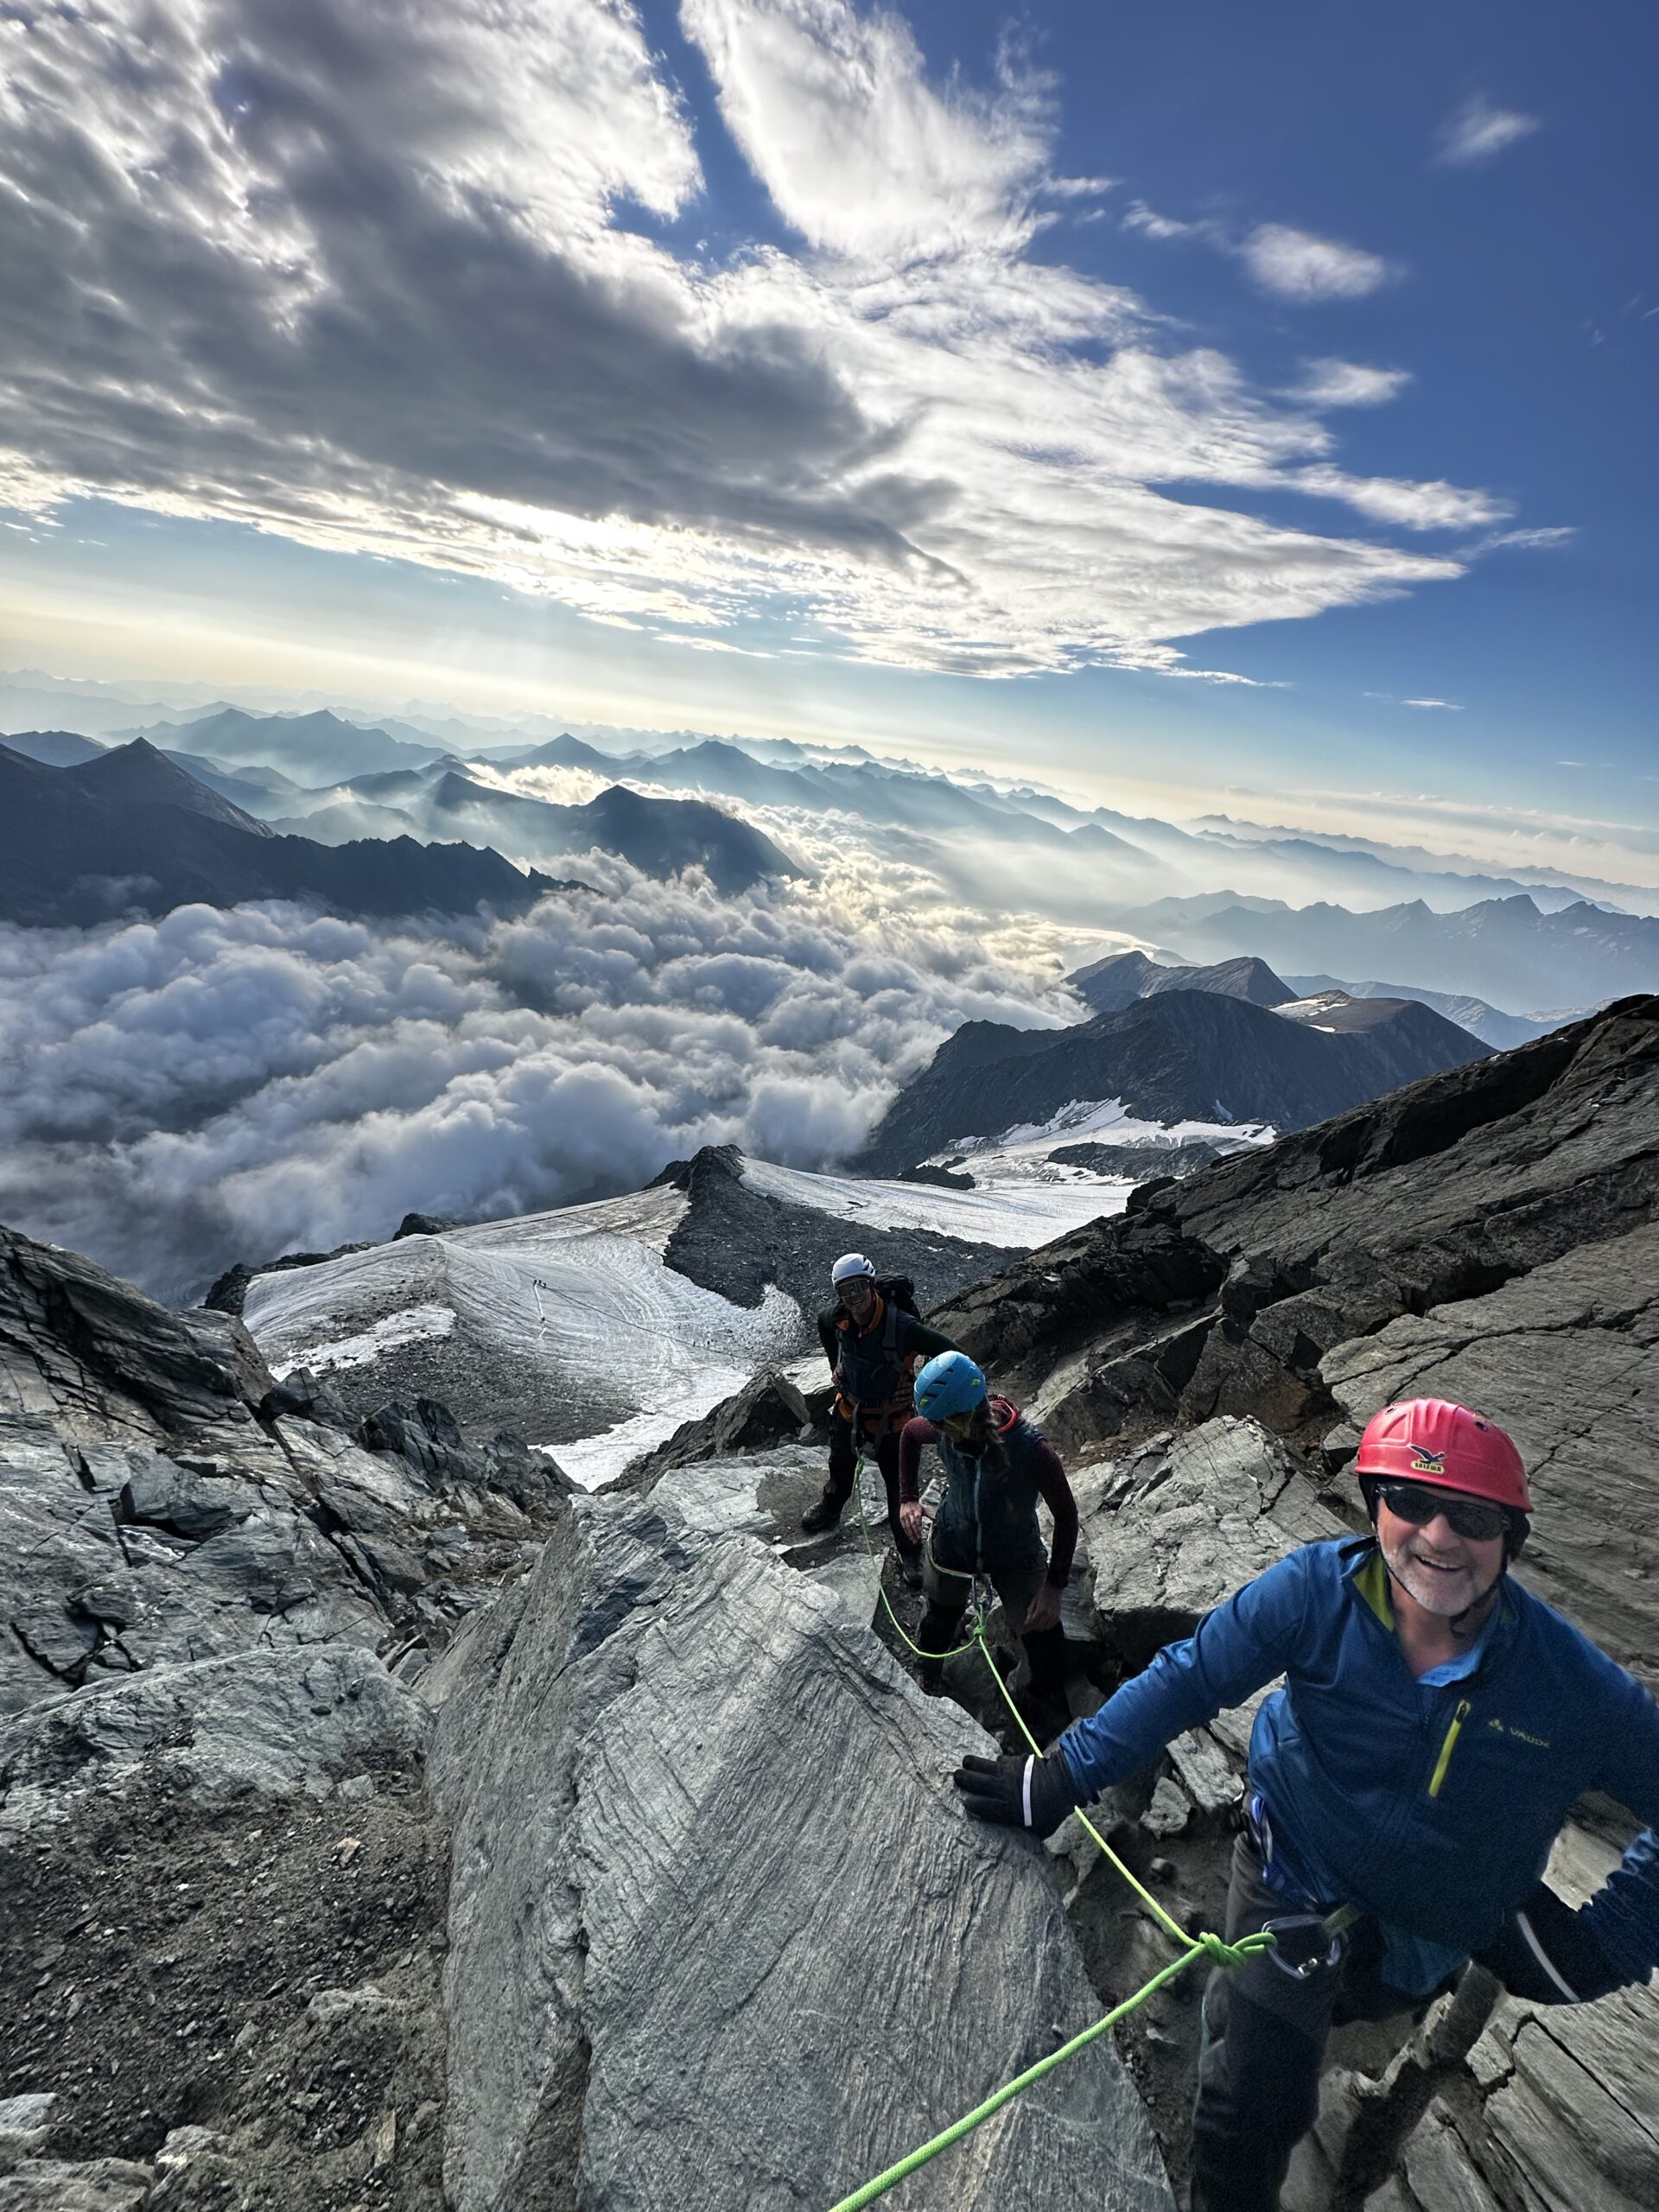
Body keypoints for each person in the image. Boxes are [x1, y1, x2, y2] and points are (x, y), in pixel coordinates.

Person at [951, 1397, 1659, 2212]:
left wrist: (1613, 1937)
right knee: (1248, 2109)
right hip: (1294, 1874)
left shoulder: (1569, 1686)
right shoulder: (1317, 1592)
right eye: (1411, 1501)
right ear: (1376, 1506)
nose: (1437, 1536)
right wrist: (1058, 1779)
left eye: (1471, 1517)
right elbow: (1191, 1677)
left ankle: (1276, 2015)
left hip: (1433, 1929)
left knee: (1333, 2012)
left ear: (1510, 1540)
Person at [899, 1350, 1079, 1713]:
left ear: (964, 1418)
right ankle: (928, 1670)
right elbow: (909, 1434)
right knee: (939, 1617)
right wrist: (908, 1498)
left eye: (942, 1425)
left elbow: (1066, 1515)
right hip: (954, 1541)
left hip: (1015, 1553)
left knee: (1043, 1635)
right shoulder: (947, 1428)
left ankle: (1040, 1703)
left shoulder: (1031, 1450)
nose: (937, 1432)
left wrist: (1053, 1588)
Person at [799, 1253, 961, 1582]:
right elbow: (823, 1323)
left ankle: (910, 1552)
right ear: (839, 1294)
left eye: (859, 1286)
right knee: (840, 1466)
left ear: (871, 1285)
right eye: (846, 1290)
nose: (854, 1296)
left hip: (894, 1421)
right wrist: (835, 1365)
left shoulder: (901, 1326)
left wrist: (922, 1387)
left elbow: (951, 1354)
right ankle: (831, 1507)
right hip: (850, 1411)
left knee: (899, 1489)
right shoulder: (839, 1317)